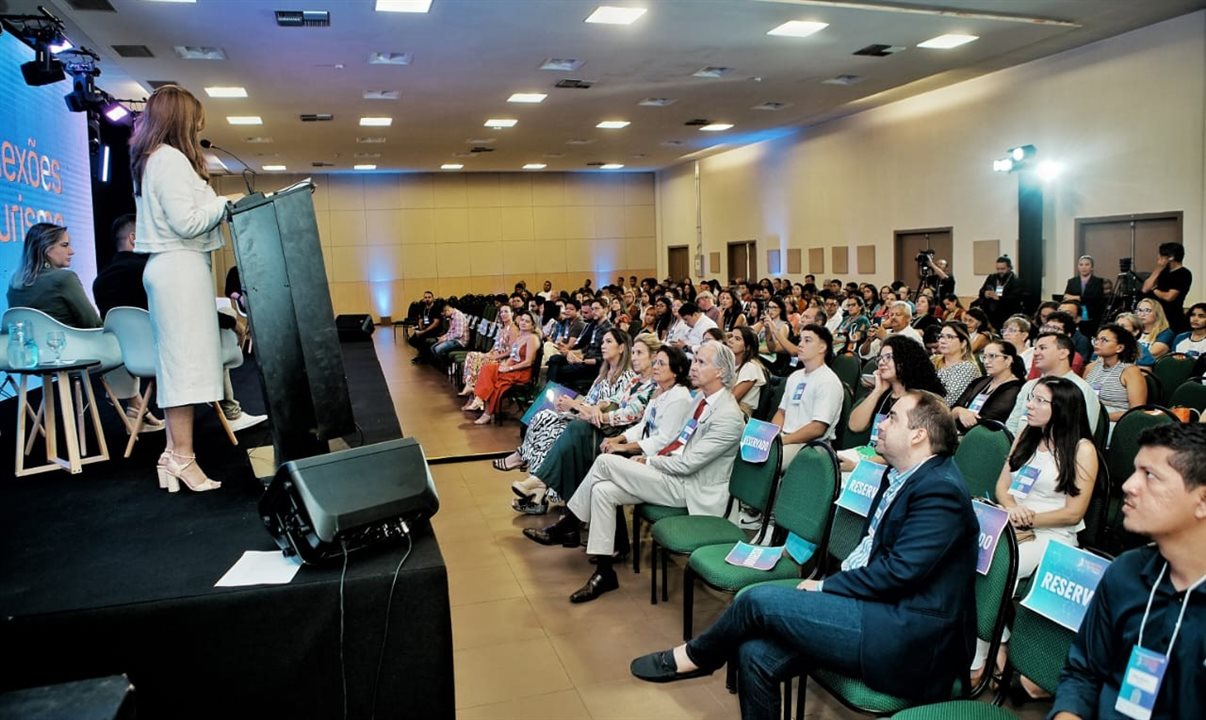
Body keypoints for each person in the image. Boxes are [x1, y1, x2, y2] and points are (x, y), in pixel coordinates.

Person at [630, 391, 979, 719]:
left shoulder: (939, 492)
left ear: (918, 435)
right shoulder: (905, 476)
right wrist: (828, 585)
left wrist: (826, 588)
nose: (881, 423)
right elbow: (874, 556)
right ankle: (702, 656)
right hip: (876, 608)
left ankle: (696, 656)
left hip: (907, 637)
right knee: (754, 655)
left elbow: (898, 573)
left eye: (892, 418)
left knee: (757, 601)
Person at [523, 341, 745, 603]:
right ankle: (604, 572)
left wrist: (648, 461)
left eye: (700, 362)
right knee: (603, 490)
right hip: (673, 474)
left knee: (605, 462)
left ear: (720, 372)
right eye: (694, 360)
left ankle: (569, 522)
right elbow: (675, 441)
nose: (693, 367)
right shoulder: (701, 400)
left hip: (691, 488)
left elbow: (688, 464)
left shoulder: (728, 415)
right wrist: (646, 457)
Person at [1048, 423, 1205, 720]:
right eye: (1135, 471)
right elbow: (1084, 672)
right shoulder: (1126, 572)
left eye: (1150, 476)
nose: (1129, 485)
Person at [127, 85, 234, 492]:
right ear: (182, 119)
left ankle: (174, 454)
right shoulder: (168, 159)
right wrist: (227, 203)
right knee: (185, 367)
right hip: (178, 268)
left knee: (180, 364)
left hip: (174, 268)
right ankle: (182, 457)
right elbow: (187, 222)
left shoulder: (154, 159)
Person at [973, 376, 1097, 690]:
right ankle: (999, 645)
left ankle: (980, 660)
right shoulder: (1028, 435)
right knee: (968, 558)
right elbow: (1003, 486)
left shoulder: (1082, 449)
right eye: (1032, 398)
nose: (1029, 405)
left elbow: (1074, 512)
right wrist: (1013, 510)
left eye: (1040, 401)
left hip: (1054, 534)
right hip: (1013, 521)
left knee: (999, 568)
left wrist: (1029, 521)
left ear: (1062, 409)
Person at [94, 215, 264, 432]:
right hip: (172, 357)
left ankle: (135, 412)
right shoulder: (153, 273)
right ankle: (231, 411)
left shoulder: (100, 281)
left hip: (132, 360)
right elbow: (189, 312)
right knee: (220, 325)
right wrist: (231, 322)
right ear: (134, 238)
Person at [509, 333, 658, 514]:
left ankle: (540, 482)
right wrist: (597, 407)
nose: (634, 357)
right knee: (546, 419)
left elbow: (628, 414)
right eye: (633, 352)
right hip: (596, 422)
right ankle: (541, 489)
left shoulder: (646, 385)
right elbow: (611, 400)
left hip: (615, 435)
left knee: (565, 429)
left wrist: (588, 411)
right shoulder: (629, 379)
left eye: (639, 353)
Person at [492, 328, 634, 469]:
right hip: (582, 417)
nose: (603, 345)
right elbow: (589, 401)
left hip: (596, 428)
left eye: (608, 342)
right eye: (603, 342)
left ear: (621, 348)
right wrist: (570, 402)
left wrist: (573, 405)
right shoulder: (603, 375)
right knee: (541, 416)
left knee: (551, 427)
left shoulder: (627, 378)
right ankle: (526, 462)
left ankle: (531, 468)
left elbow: (608, 411)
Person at [847, 334, 945, 444]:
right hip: (875, 452)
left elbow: (914, 446)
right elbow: (855, 426)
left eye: (888, 357)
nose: (881, 362)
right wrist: (878, 390)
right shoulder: (885, 394)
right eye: (880, 358)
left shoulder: (924, 398)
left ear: (905, 360)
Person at [773, 324, 844, 466]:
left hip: (810, 446)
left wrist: (782, 441)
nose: (800, 344)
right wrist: (771, 437)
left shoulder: (828, 381)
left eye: (807, 340)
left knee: (769, 460)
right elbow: (781, 413)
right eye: (800, 340)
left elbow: (818, 428)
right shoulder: (795, 376)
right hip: (785, 439)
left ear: (822, 348)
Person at [7, 223, 101, 329]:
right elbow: (92, 324)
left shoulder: (14, 281)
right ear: (47, 248)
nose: (71, 252)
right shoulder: (65, 278)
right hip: (69, 344)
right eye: (65, 245)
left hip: (29, 345)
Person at [1005, 333, 1101, 436]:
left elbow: (1082, 433)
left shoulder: (1081, 389)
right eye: (1035, 349)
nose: (1036, 353)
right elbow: (1012, 424)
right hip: (1019, 446)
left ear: (1063, 353)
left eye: (1042, 348)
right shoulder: (1029, 385)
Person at [466, 309, 541, 424]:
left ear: (533, 325)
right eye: (522, 320)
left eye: (527, 321)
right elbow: (513, 356)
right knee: (487, 368)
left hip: (521, 372)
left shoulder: (532, 338)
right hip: (512, 366)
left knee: (497, 382)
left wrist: (509, 368)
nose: (523, 323)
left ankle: (487, 412)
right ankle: (480, 398)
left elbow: (528, 362)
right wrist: (505, 364)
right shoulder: (520, 336)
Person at [951, 340, 1025, 433]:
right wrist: (961, 411)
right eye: (984, 357)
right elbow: (953, 409)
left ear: (1008, 360)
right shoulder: (980, 381)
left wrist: (963, 414)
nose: (986, 361)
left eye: (992, 356)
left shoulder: (1016, 388)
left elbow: (989, 421)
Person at [545, 298, 613, 390]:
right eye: (592, 309)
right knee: (554, 359)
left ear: (606, 309)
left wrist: (581, 360)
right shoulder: (595, 326)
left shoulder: (609, 330)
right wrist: (570, 353)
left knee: (560, 370)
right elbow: (586, 348)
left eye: (597, 308)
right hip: (584, 358)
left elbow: (603, 358)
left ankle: (553, 392)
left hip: (593, 365)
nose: (594, 312)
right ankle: (549, 391)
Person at [1083, 323, 1146, 422]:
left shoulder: (1130, 372)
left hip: (1116, 422)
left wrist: (1100, 417)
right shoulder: (1090, 367)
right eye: (1097, 339)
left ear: (1119, 348)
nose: (1097, 343)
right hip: (1089, 417)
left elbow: (1136, 411)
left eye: (1104, 340)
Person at [457, 305, 516, 396]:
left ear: (512, 313)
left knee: (478, 360)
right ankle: (469, 385)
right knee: (471, 355)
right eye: (501, 312)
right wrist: (488, 353)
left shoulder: (513, 329)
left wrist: (496, 356)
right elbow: (495, 344)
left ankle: (475, 389)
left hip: (503, 359)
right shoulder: (502, 328)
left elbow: (511, 351)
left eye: (506, 312)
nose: (503, 314)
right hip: (494, 354)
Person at [1140, 241, 1193, 334]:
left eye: (1161, 256)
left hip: (1172, 318)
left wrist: (1154, 289)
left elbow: (1169, 297)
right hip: (1156, 317)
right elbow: (1145, 289)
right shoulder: (1163, 271)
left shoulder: (1183, 273)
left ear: (1171, 257)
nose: (1158, 258)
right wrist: (1159, 268)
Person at [932, 321, 983, 405]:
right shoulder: (934, 360)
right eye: (941, 336)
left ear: (963, 343)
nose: (942, 341)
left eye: (949, 337)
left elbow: (948, 401)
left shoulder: (968, 368)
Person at [859, 300, 924, 360]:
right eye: (892, 314)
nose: (893, 317)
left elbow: (906, 358)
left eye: (898, 314)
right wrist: (868, 340)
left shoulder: (913, 335)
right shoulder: (887, 332)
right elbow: (864, 354)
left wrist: (884, 338)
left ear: (908, 318)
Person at [725, 326, 767, 416]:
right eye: (731, 336)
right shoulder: (729, 363)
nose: (731, 340)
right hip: (724, 409)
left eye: (737, 339)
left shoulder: (751, 367)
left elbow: (732, 399)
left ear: (747, 347)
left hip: (739, 413)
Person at [978, 255, 1021, 331]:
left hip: (1006, 313)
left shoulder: (1015, 280)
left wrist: (999, 298)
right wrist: (985, 293)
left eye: (1002, 269)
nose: (1000, 271)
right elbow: (981, 291)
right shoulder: (992, 277)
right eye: (998, 269)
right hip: (990, 312)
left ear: (1009, 268)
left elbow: (1015, 298)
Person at [1062, 255, 1105, 329]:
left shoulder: (1098, 281)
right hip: (1075, 314)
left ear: (1092, 267)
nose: (1083, 267)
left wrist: (1077, 297)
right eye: (1081, 265)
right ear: (1078, 267)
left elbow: (1096, 298)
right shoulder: (1072, 281)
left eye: (1087, 264)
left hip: (1092, 315)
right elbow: (1066, 296)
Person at [408, 292, 443, 364]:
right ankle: (423, 355)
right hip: (425, 329)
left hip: (434, 330)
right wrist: (421, 329)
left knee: (422, 338)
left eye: (429, 297)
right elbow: (421, 319)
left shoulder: (436, 308)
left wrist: (423, 331)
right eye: (425, 297)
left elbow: (436, 323)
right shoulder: (423, 308)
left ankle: (424, 358)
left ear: (433, 298)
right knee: (412, 340)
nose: (427, 299)